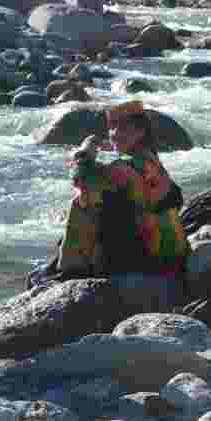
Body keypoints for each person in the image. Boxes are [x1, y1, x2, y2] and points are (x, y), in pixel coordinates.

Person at [58, 101, 190, 285]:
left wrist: (87, 147)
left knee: (83, 201)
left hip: (146, 259)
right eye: (112, 128)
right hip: (170, 253)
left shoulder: (127, 166)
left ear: (141, 132)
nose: (114, 134)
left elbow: (80, 178)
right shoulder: (149, 159)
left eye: (123, 129)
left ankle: (72, 271)